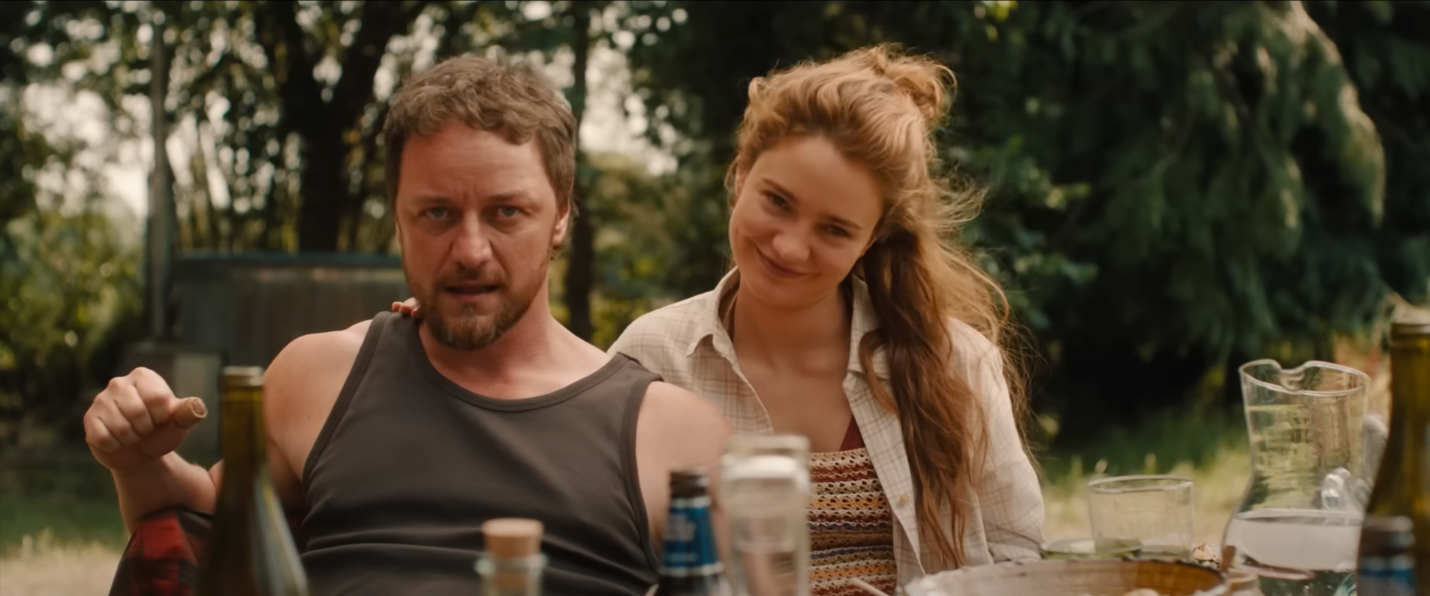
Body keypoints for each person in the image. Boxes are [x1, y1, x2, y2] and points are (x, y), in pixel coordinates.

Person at [395, 45, 1046, 594]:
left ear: (872, 239)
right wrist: (457, 312)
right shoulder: (651, 358)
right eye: (777, 201)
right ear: (740, 174)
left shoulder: (953, 363)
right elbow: (591, 545)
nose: (790, 246)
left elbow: (1023, 563)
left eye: (834, 229)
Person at [85, 53, 733, 596]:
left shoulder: (673, 433)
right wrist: (137, 461)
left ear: (560, 214)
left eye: (506, 212)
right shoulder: (320, 375)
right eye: (437, 214)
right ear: (397, 217)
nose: (470, 250)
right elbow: (196, 530)